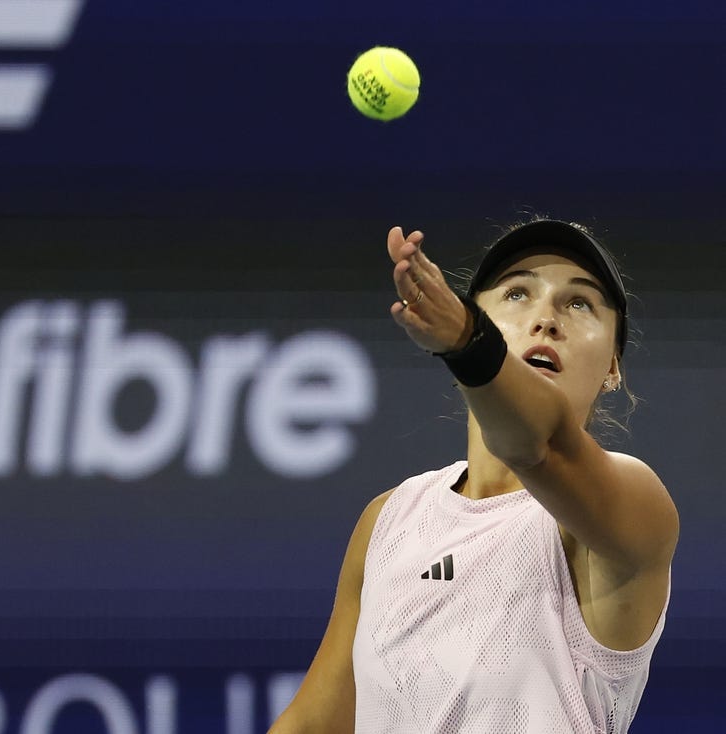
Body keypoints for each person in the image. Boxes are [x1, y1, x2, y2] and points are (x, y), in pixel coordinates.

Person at [268, 219, 678, 734]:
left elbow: (538, 445)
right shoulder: (391, 519)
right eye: (517, 293)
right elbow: (310, 726)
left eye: (580, 303)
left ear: (613, 367)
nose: (546, 318)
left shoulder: (636, 508)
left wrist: (468, 342)